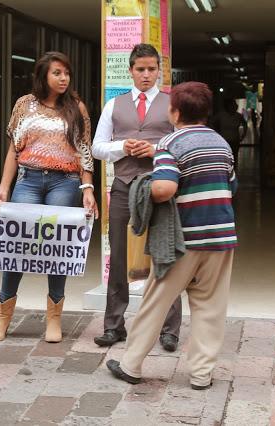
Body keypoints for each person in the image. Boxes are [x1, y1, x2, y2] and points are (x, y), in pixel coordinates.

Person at [107, 81, 238, 390]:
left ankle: (131, 365)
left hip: (182, 240)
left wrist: (144, 188)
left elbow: (165, 189)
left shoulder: (170, 143)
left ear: (175, 112)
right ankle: (201, 374)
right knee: (210, 306)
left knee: (157, 299)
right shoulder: (222, 143)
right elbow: (231, 186)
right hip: (220, 237)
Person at [0, 51, 98, 344]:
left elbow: (84, 151)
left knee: (56, 250)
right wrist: (3, 188)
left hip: (65, 182)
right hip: (29, 180)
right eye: (57, 73)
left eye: (66, 73)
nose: (64, 79)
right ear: (43, 76)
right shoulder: (25, 105)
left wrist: (88, 189)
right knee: (16, 246)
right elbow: (14, 150)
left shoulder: (76, 107)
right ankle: (3, 314)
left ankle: (54, 318)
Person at [91, 43, 181, 350]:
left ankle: (170, 329)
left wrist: (156, 150)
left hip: (160, 185)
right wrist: (123, 147)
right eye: (140, 69)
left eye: (151, 69)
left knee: (164, 254)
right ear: (130, 71)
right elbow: (97, 148)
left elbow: (182, 145)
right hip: (123, 186)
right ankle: (114, 326)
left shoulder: (172, 104)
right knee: (118, 255)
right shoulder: (114, 105)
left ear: (159, 70)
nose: (146, 75)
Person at [211, 98, 247, 168]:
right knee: (225, 158)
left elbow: (245, 125)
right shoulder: (221, 115)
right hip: (224, 140)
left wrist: (243, 136)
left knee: (234, 158)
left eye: (235, 106)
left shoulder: (238, 116)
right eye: (232, 105)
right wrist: (216, 134)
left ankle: (233, 173)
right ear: (228, 106)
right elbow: (212, 122)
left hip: (235, 140)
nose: (235, 107)